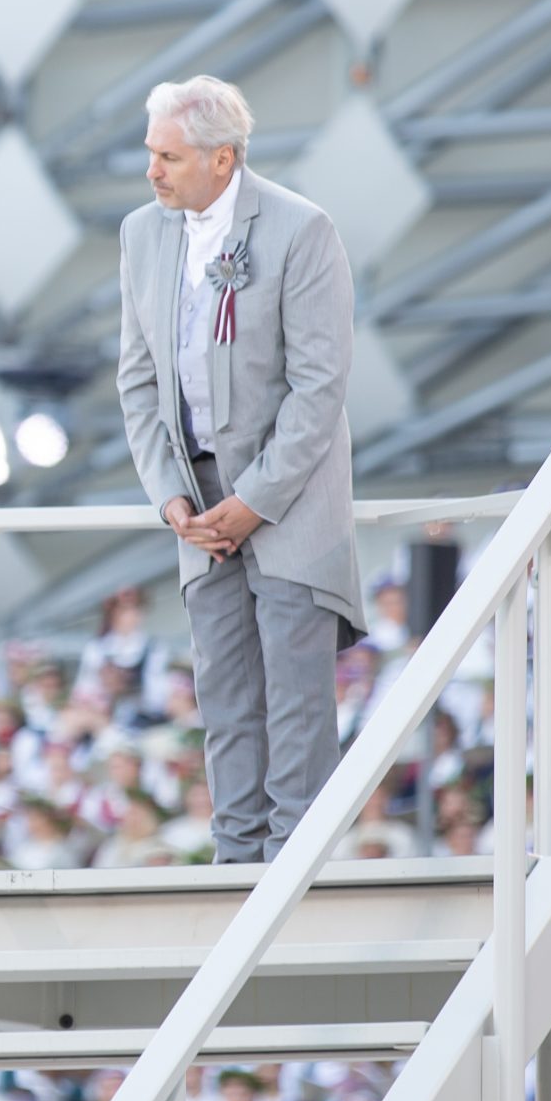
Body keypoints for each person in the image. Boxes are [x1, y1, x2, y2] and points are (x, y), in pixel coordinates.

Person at [114, 74, 366, 865]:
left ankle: (296, 868)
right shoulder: (141, 234)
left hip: (289, 499)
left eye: (169, 156)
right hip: (196, 503)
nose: (152, 171)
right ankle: (236, 865)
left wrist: (254, 498)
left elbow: (320, 387)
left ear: (222, 158)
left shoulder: (301, 229)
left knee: (295, 695)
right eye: (151, 153)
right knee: (224, 694)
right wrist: (169, 496)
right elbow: (136, 382)